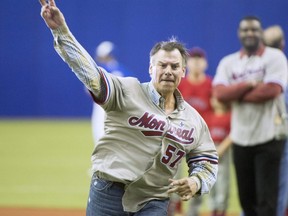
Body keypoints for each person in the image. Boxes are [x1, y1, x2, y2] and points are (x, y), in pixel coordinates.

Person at [39, 1, 218, 216]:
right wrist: (61, 31)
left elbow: (207, 161)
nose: (168, 71)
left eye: (174, 66)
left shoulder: (194, 120)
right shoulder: (126, 90)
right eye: (162, 65)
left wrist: (196, 181)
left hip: (154, 199)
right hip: (109, 192)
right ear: (151, 68)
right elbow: (89, 72)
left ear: (183, 72)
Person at [212, 16, 288, 216]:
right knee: (247, 200)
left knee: (268, 202)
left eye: (254, 29)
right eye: (245, 30)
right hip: (241, 138)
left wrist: (235, 95)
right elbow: (219, 94)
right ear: (239, 34)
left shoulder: (275, 57)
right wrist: (247, 85)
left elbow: (272, 90)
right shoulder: (229, 62)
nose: (249, 33)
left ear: (260, 32)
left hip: (269, 136)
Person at [177, 47, 213, 216]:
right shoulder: (180, 84)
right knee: (171, 176)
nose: (197, 62)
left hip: (201, 140)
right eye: (193, 59)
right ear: (187, 63)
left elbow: (217, 111)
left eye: (200, 59)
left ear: (205, 63)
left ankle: (193, 213)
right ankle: (173, 210)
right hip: (179, 137)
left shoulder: (211, 85)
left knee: (198, 178)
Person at [263, 25, 288, 216]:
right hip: (278, 136)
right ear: (282, 44)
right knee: (278, 187)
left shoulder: (255, 68)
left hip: (259, 134)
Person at [91, 41, 133, 144]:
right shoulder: (121, 69)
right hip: (118, 106)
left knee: (100, 134)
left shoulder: (101, 70)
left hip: (103, 105)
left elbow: (89, 90)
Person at [205, 97, 231, 216]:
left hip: (224, 151)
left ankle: (221, 210)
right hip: (210, 150)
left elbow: (232, 135)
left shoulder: (229, 116)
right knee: (210, 181)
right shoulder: (208, 116)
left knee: (222, 182)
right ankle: (213, 210)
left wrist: (222, 148)